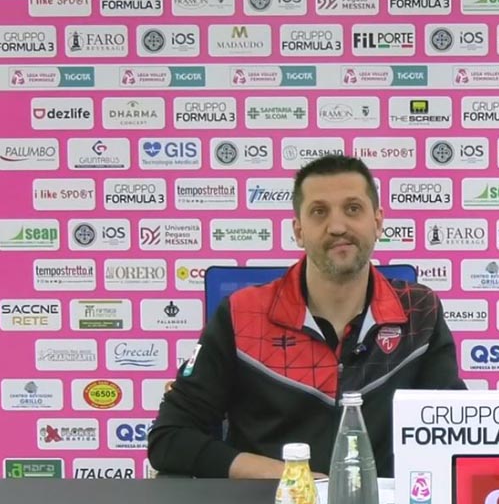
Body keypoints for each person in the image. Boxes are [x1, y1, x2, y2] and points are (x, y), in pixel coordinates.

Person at [149, 155, 466, 479]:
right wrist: (291, 475)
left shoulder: (419, 311)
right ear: (299, 231)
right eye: (319, 212)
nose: (337, 226)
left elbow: (457, 435)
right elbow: (170, 438)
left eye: (353, 209)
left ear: (377, 222)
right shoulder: (241, 313)